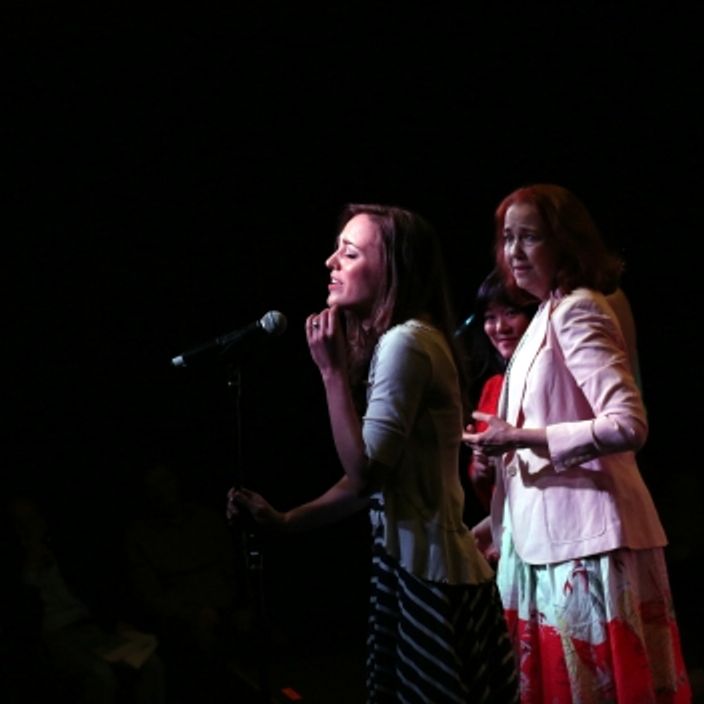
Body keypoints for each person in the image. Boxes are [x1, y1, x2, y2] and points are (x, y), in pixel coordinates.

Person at [227, 203, 518, 702]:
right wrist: (287, 521)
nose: (330, 263)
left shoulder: (407, 344)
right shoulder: (405, 341)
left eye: (350, 252)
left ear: (391, 270)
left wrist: (332, 373)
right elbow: (372, 477)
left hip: (431, 577)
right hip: (413, 571)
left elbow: (362, 474)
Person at [462, 183, 691, 703]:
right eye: (507, 237)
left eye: (530, 237)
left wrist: (517, 437)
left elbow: (628, 424)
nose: (514, 252)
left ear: (565, 244)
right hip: (549, 543)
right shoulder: (545, 314)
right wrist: (498, 522)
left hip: (590, 546)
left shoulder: (577, 310)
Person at [458, 269, 539, 534]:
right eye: (490, 317)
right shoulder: (493, 386)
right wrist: (480, 471)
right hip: (510, 527)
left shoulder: (548, 379)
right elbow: (484, 486)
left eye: (511, 313)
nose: (500, 327)